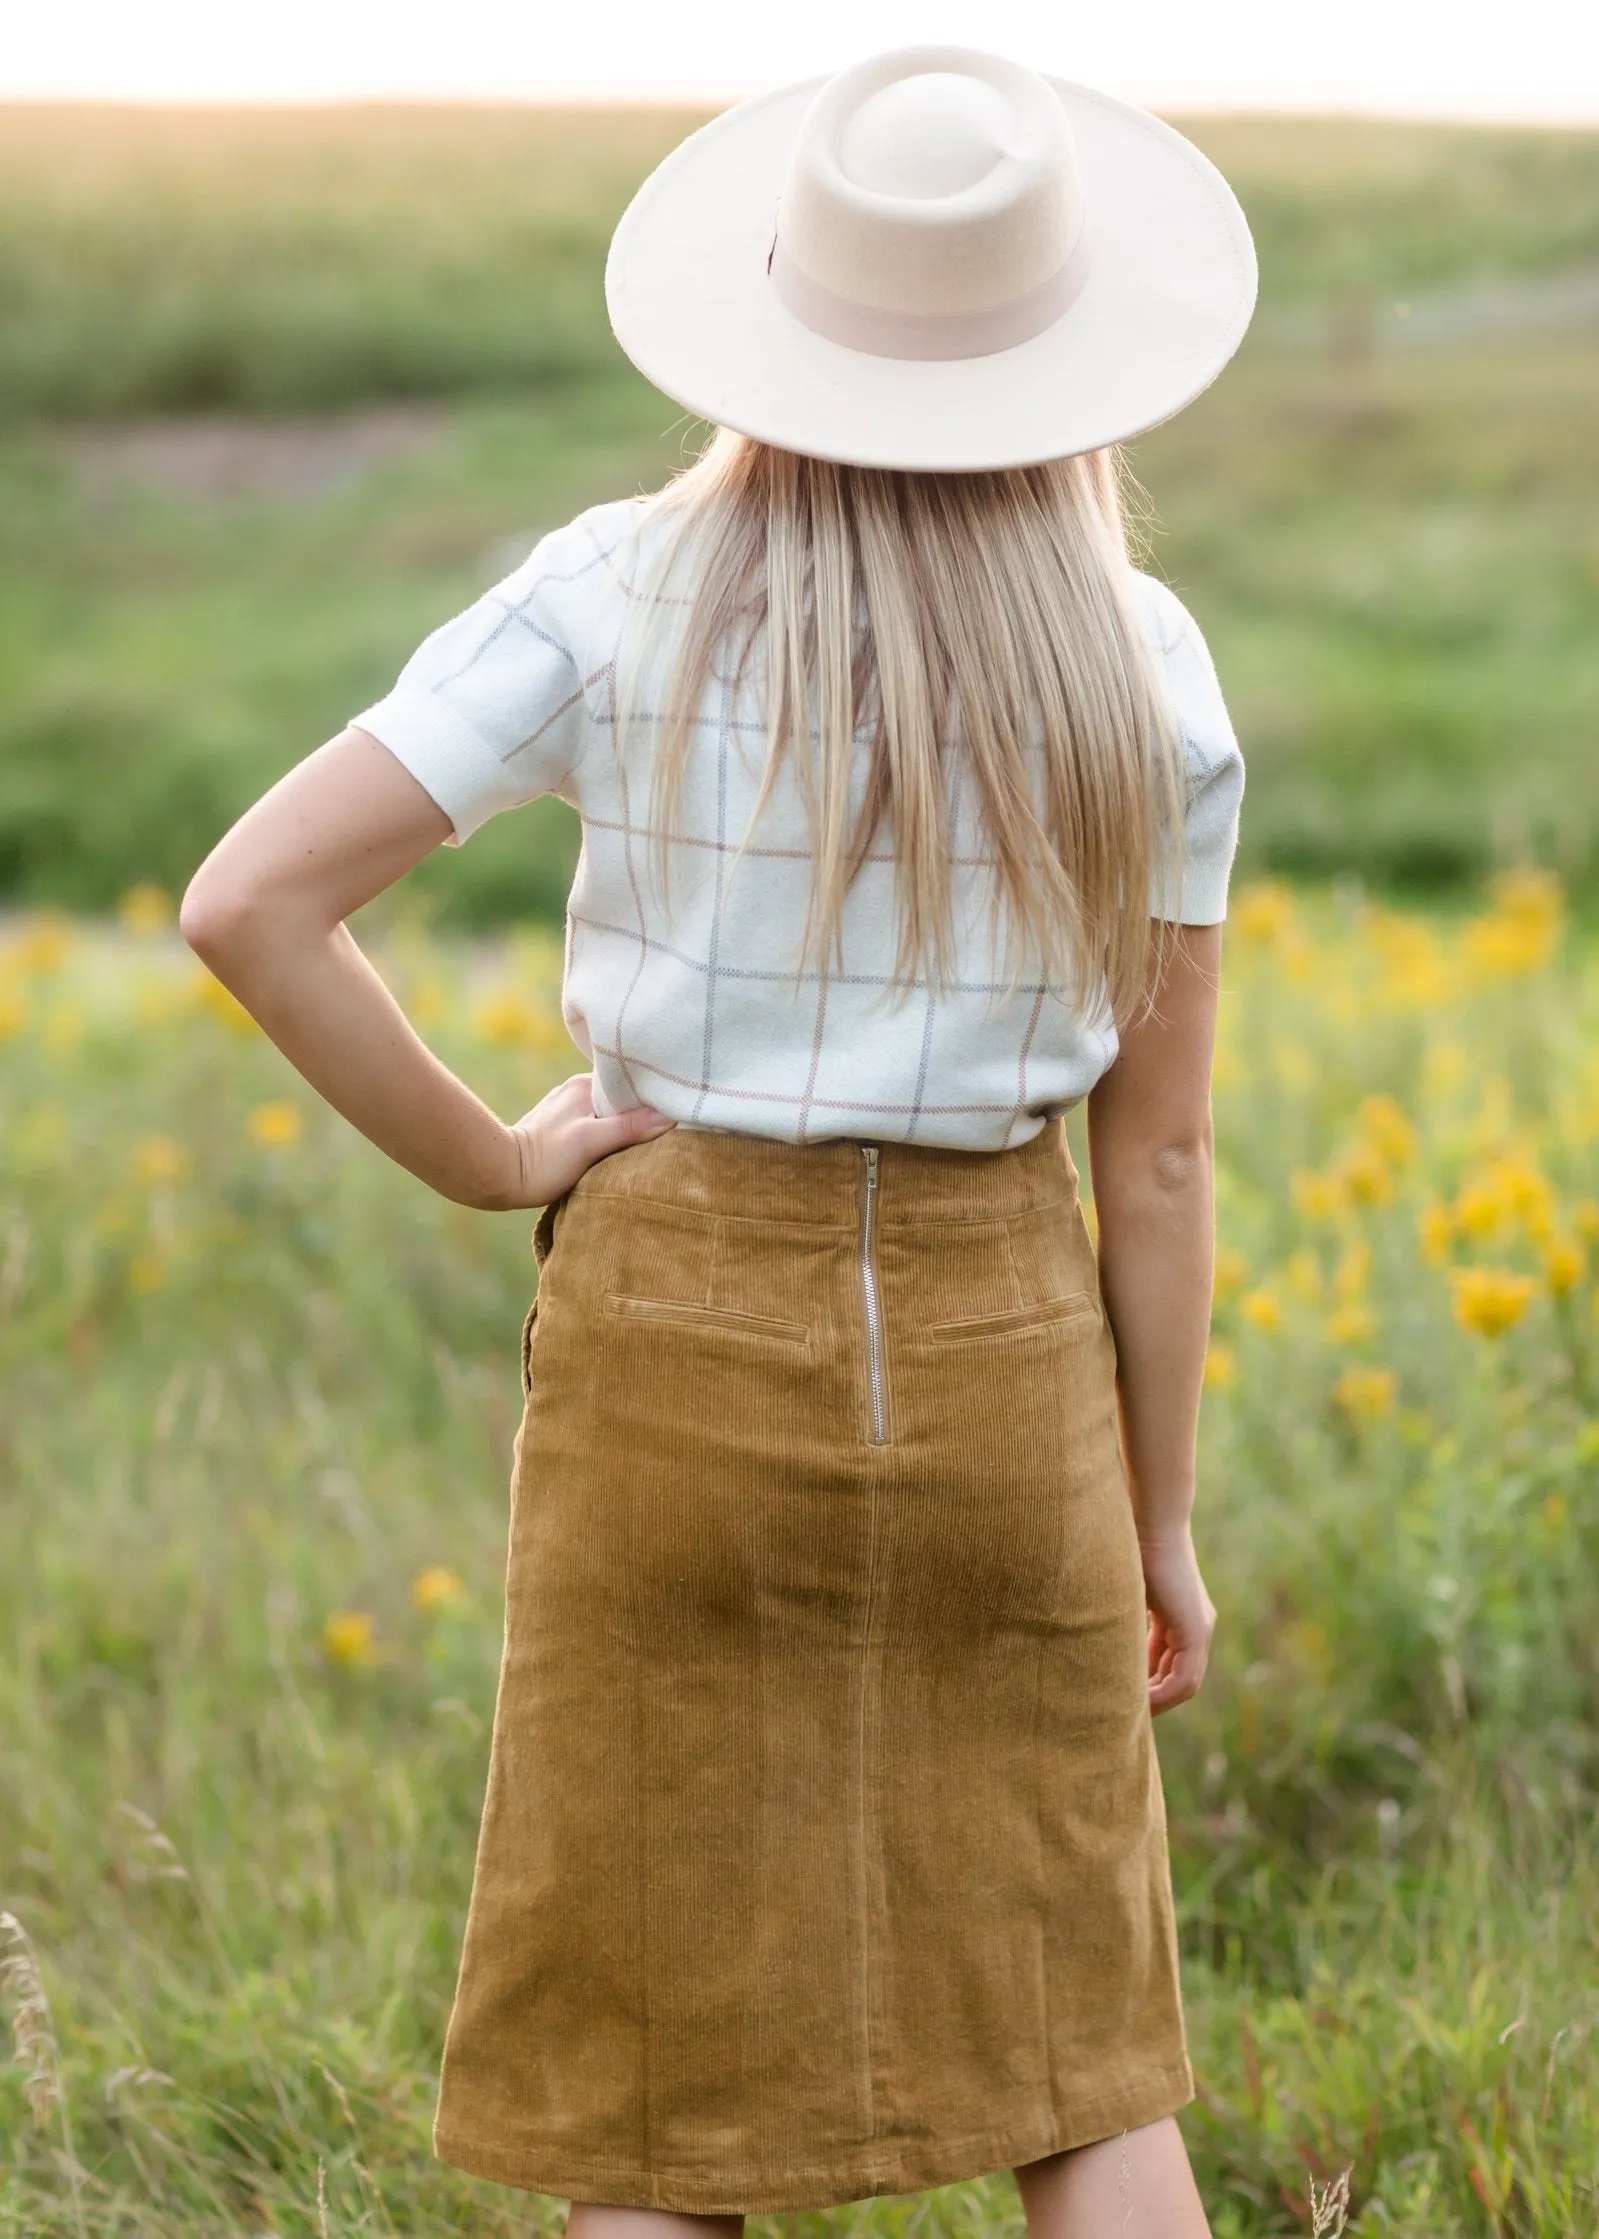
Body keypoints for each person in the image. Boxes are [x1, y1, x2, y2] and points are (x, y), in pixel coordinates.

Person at [181, 41, 1255, 2239]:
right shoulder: (1143, 663)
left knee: (662, 2093)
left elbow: (249, 903)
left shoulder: (607, 586)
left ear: (776, 308)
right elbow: (1153, 1166)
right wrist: (1152, 1522)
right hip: (1003, 1364)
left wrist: (495, 1159)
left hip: (673, 1337)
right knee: (1077, 2054)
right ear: (1060, 351)